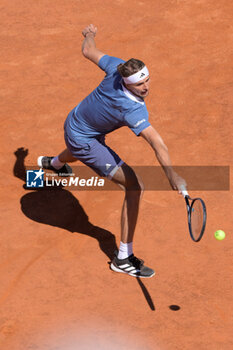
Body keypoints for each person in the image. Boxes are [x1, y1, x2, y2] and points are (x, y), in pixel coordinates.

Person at [38, 24, 186, 278]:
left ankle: (54, 165)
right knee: (134, 186)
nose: (146, 87)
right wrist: (172, 175)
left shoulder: (116, 67)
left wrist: (90, 34)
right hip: (85, 138)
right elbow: (157, 144)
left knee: (81, 146)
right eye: (140, 84)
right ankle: (123, 258)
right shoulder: (133, 110)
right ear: (128, 83)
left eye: (147, 80)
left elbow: (88, 50)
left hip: (75, 122)